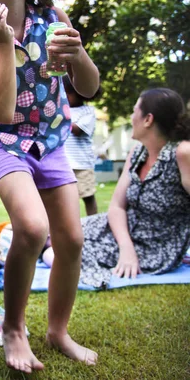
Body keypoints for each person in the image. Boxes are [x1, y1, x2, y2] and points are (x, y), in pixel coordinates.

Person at [0, 0, 100, 372]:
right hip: (4, 143)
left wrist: (79, 55)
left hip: (52, 140)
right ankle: (14, 329)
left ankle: (58, 331)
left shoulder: (54, 18)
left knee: (72, 238)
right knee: (34, 227)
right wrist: (3, 43)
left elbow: (87, 88)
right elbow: (1, 110)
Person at [73, 88, 190, 287]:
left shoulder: (182, 152)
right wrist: (126, 248)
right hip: (124, 233)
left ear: (148, 119)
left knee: (58, 250)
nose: (130, 116)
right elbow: (117, 206)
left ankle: (96, 277)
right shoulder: (137, 153)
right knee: (61, 234)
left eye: (135, 110)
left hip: (155, 247)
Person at [63, 75, 100, 216]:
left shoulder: (87, 112)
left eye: (68, 93)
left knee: (88, 196)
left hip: (82, 164)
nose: (64, 96)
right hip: (64, 163)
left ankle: (93, 221)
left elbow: (78, 130)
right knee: (66, 198)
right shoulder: (61, 109)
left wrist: (60, 121)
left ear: (79, 93)